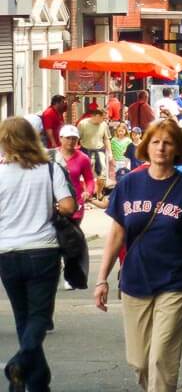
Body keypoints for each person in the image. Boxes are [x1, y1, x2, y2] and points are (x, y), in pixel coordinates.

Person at [94, 118, 182, 391]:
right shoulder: (129, 184)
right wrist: (101, 279)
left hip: (174, 281)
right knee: (140, 362)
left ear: (177, 148)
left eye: (168, 143)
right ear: (146, 146)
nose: (161, 148)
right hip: (135, 281)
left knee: (161, 360)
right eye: (156, 142)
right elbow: (117, 234)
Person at [0, 117, 76, 392]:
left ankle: (36, 383)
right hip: (42, 250)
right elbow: (68, 206)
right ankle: (19, 365)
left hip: (7, 253)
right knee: (40, 317)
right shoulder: (49, 169)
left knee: (23, 318)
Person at [51, 124, 95, 228]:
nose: (71, 141)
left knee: (72, 236)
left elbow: (89, 179)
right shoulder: (51, 155)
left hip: (76, 203)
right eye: (68, 138)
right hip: (55, 202)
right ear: (60, 138)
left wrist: (88, 192)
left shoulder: (83, 158)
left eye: (74, 138)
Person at [78, 108, 112, 181]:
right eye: (103, 118)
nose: (104, 120)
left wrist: (110, 153)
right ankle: (89, 190)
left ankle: (99, 191)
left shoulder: (104, 125)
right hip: (85, 151)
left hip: (99, 150)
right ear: (97, 116)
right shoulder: (83, 124)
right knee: (86, 174)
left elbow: (106, 139)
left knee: (102, 173)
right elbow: (77, 138)